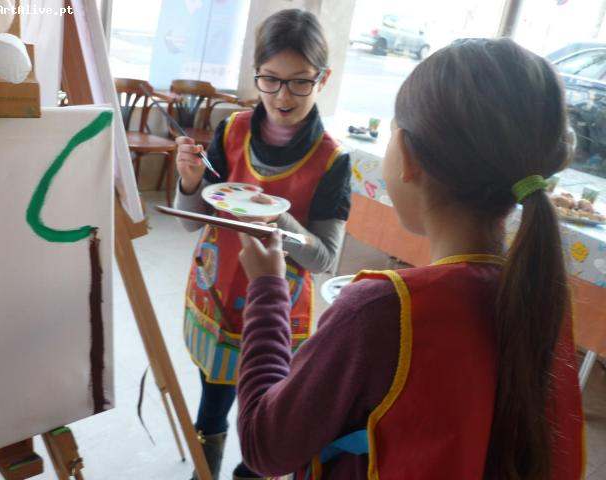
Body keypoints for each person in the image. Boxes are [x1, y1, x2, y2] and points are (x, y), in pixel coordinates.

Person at [236, 38, 585, 479]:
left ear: (409, 156)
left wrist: (268, 290)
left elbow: (265, 445)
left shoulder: (380, 310)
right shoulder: (540, 295)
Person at [174, 9, 351, 480]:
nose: (282, 96)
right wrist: (189, 182)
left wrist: (275, 215)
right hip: (216, 295)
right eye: (270, 80)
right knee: (212, 407)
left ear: (323, 78)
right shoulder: (231, 130)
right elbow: (191, 223)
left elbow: (325, 259)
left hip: (278, 309)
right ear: (256, 74)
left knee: (268, 421)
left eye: (300, 82)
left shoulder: (332, 160)